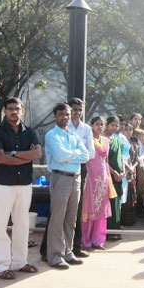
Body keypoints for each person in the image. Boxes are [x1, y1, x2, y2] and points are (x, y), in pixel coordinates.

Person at [0, 97, 42, 279]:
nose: (14, 112)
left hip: (24, 184)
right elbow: (0, 158)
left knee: (22, 224)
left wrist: (12, 154)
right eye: (10, 109)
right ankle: (0, 266)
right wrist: (25, 156)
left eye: (17, 108)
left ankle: (20, 262)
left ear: (22, 111)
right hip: (3, 185)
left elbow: (38, 153)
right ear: (5, 111)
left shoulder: (30, 132)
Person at [40, 98, 94, 261]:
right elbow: (60, 156)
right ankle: (55, 255)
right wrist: (75, 154)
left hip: (76, 178)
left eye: (67, 114)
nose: (65, 117)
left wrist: (70, 155)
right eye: (62, 114)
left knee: (71, 219)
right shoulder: (52, 135)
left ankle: (68, 252)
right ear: (55, 116)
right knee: (57, 219)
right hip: (61, 178)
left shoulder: (74, 135)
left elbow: (86, 155)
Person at [81, 117, 115, 250]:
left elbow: (105, 161)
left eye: (102, 124)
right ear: (91, 126)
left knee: (101, 209)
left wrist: (109, 177)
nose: (100, 127)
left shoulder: (106, 140)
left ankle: (98, 240)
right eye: (97, 124)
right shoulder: (87, 140)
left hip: (103, 178)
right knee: (90, 208)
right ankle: (86, 240)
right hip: (91, 177)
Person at [67, 97, 95, 259]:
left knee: (77, 209)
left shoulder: (86, 129)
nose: (77, 113)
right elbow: (63, 153)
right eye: (74, 109)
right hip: (64, 170)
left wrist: (74, 154)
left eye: (80, 110)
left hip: (81, 170)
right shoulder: (64, 127)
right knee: (60, 211)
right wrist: (80, 153)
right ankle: (50, 249)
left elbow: (91, 153)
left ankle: (76, 247)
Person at [104, 116, 124, 240]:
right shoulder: (103, 140)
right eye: (112, 125)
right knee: (108, 203)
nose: (115, 128)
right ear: (107, 125)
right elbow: (102, 160)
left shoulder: (117, 140)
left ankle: (116, 230)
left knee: (116, 203)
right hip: (107, 175)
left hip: (118, 177)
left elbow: (121, 157)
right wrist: (113, 172)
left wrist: (122, 171)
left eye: (117, 125)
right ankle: (106, 231)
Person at [130, 112, 144, 213]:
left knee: (140, 185)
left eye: (139, 119)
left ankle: (140, 209)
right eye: (135, 119)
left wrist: (140, 158)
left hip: (140, 162)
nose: (137, 121)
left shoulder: (142, 133)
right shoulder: (128, 131)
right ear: (131, 120)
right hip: (129, 162)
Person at [122, 123, 139, 226]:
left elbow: (137, 158)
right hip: (124, 169)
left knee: (132, 193)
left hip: (132, 169)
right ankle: (123, 219)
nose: (129, 132)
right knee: (125, 194)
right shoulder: (121, 141)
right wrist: (128, 168)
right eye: (127, 130)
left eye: (131, 130)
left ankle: (131, 218)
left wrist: (133, 167)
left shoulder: (134, 143)